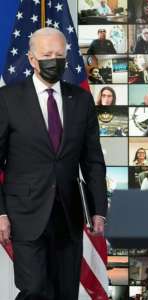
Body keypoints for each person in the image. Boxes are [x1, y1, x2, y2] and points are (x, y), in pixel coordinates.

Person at [0, 27, 107, 299]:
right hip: (24, 213)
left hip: (68, 213)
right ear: (32, 59)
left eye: (60, 54)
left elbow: (92, 159)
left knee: (65, 292)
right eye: (47, 54)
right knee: (34, 289)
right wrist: (0, 213)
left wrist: (98, 210)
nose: (54, 60)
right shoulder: (7, 99)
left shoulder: (81, 99)